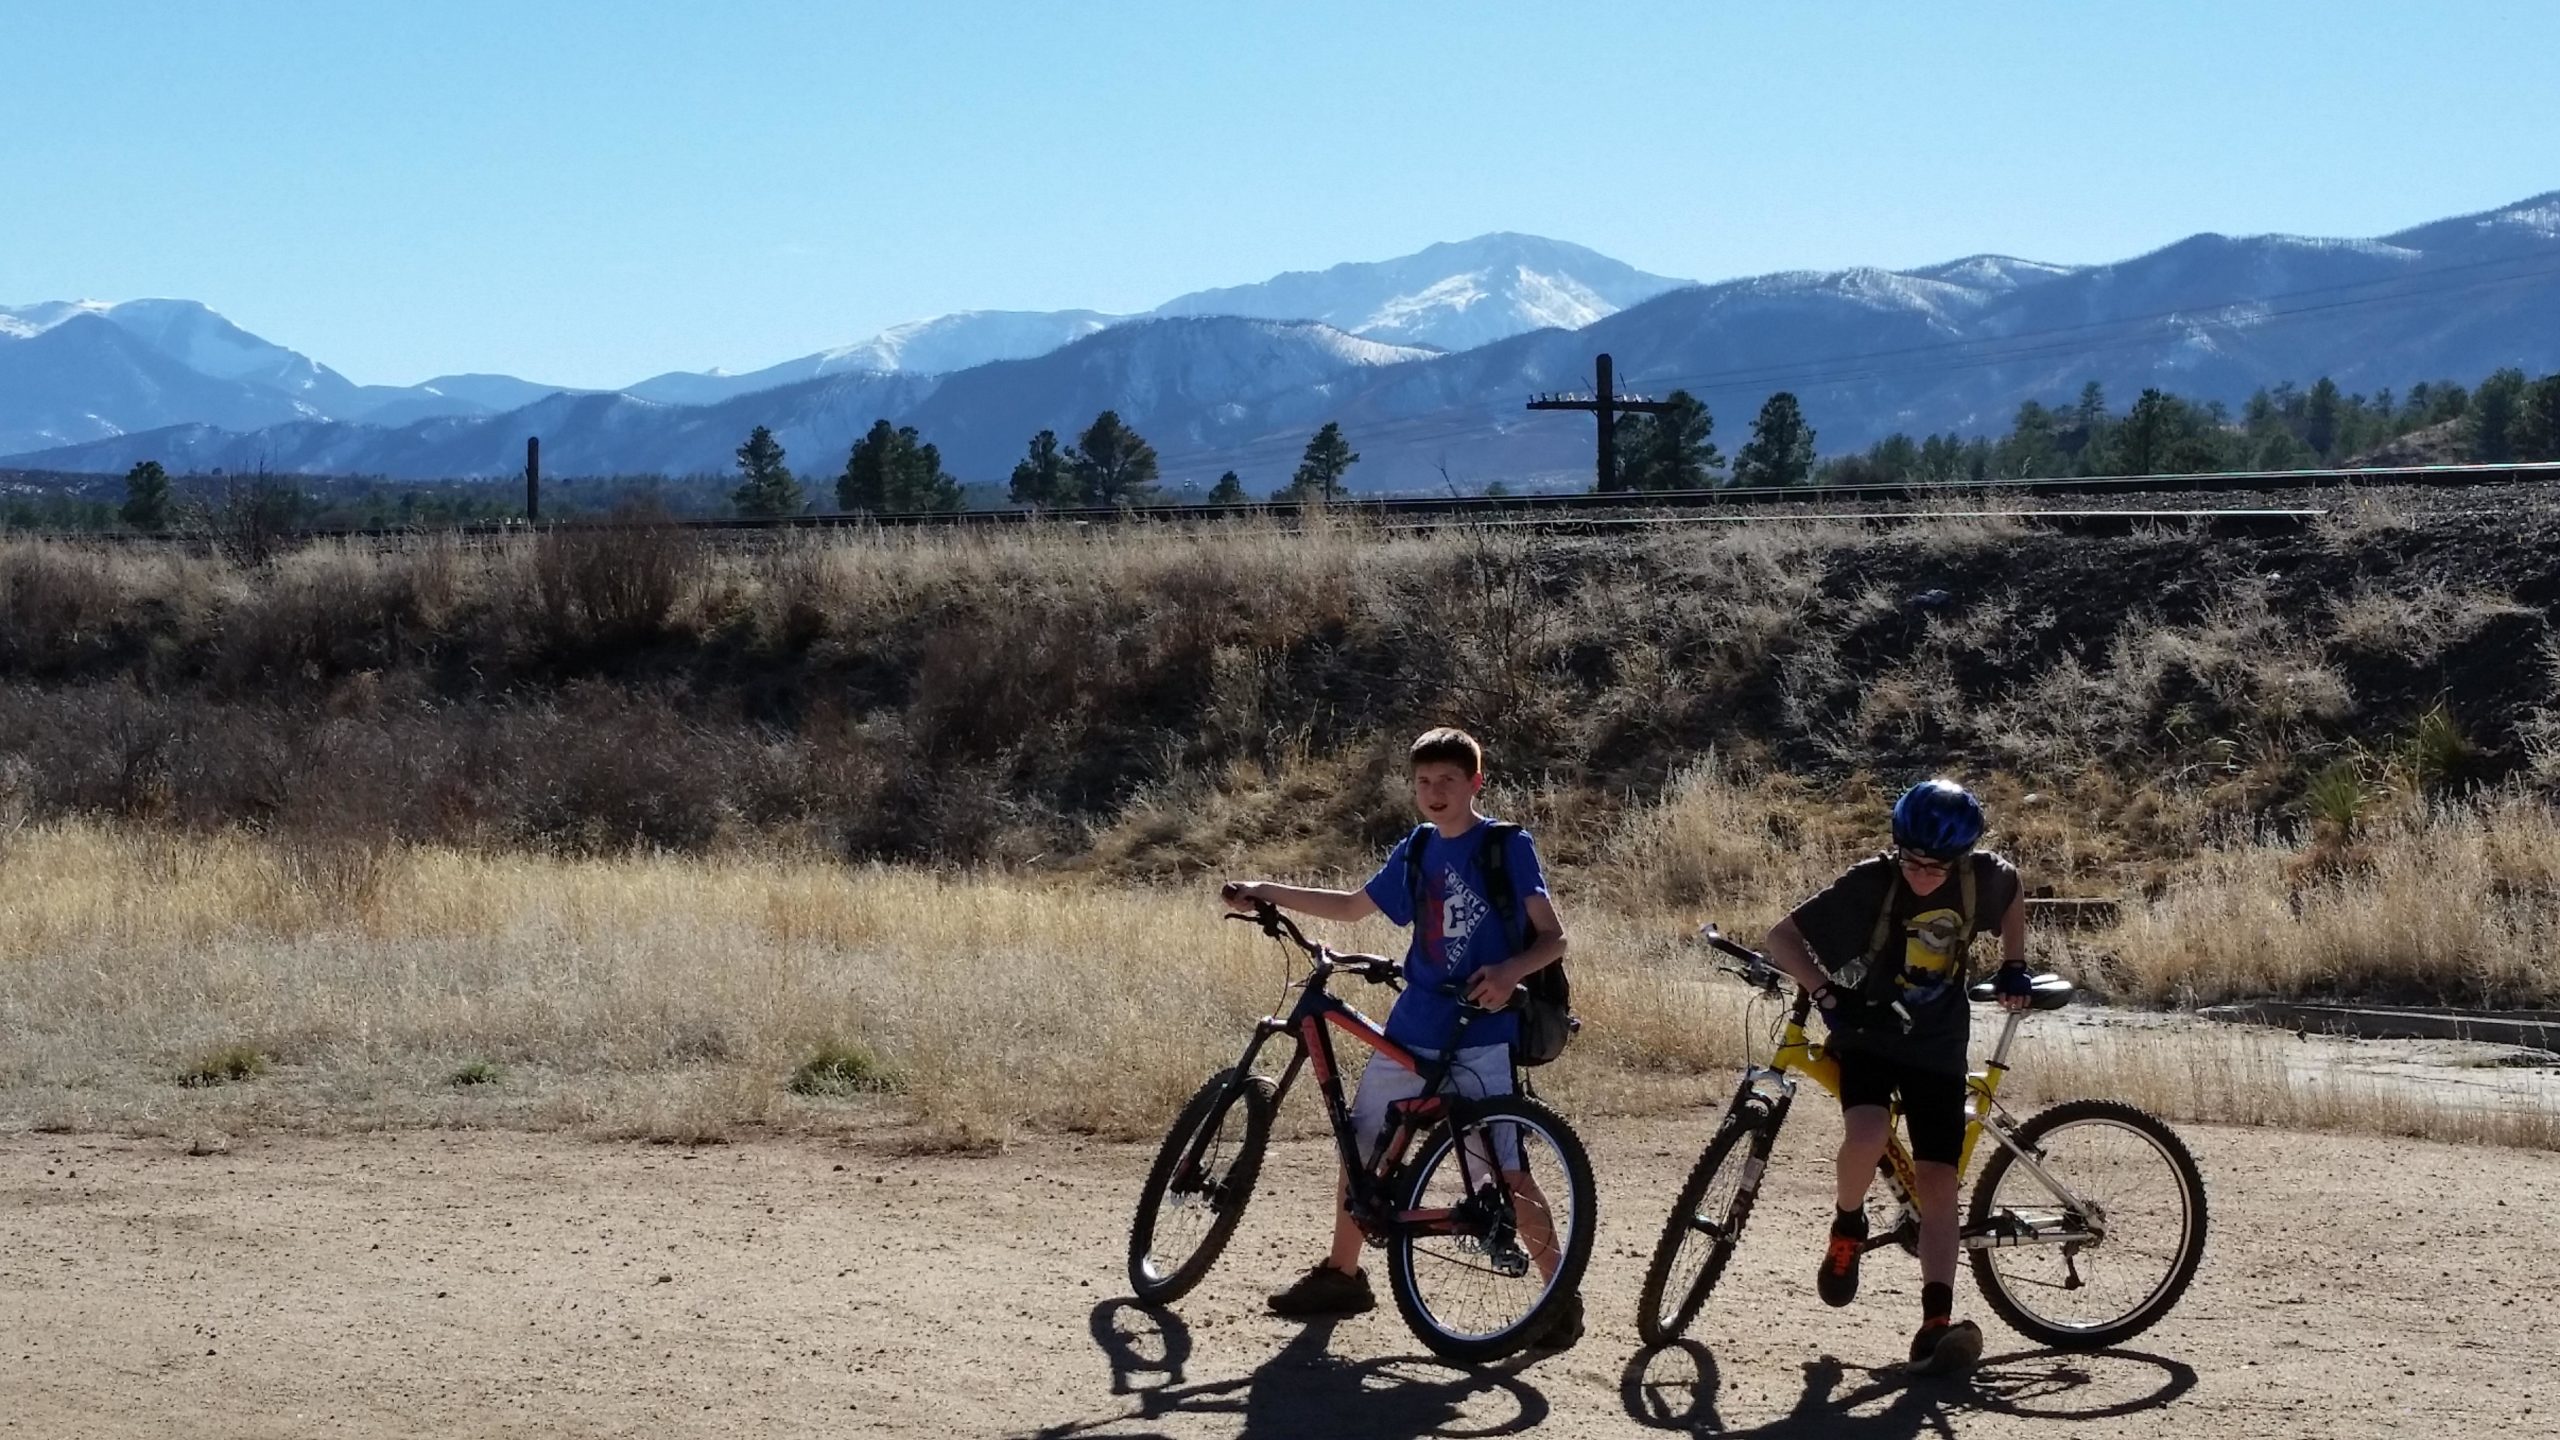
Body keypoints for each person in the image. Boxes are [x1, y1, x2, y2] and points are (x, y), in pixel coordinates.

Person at [1220, 726, 1580, 1348]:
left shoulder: (1505, 845)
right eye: (1423, 783)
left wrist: (1509, 972)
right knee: (1362, 1149)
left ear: (1476, 783)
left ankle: (1559, 1300)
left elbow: (1555, 937)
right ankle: (1342, 1273)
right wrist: (1267, 890)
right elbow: (1355, 906)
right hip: (1412, 1026)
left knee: (1503, 1174)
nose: (1435, 793)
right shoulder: (1417, 848)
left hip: (1480, 1033)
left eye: (1448, 781)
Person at [1759, 778, 2032, 1377]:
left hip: (1937, 1043)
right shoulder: (1871, 882)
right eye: (1913, 861)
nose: (1924, 876)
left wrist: (2014, 963)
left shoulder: (1976, 877)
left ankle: (1937, 1326)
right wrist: (1826, 994)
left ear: (1960, 859)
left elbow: (2012, 889)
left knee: (1938, 1181)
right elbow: (1782, 937)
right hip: (1869, 1034)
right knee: (1866, 1132)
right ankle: (1848, 1223)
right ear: (1896, 846)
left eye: (1938, 867)